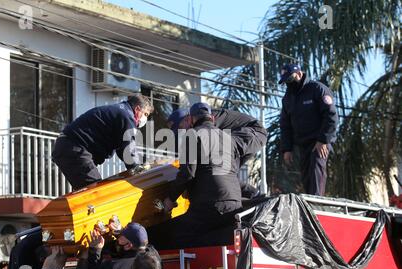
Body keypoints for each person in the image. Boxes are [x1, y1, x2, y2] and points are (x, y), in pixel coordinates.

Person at [148, 102, 242, 249]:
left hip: (209, 203)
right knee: (224, 239)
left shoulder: (193, 135)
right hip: (234, 202)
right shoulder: (228, 137)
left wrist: (170, 199)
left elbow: (187, 174)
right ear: (211, 117)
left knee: (177, 236)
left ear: (191, 119)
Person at [52, 95, 154, 190]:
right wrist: (138, 171)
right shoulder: (126, 116)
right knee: (95, 193)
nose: (145, 118)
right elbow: (128, 149)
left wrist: (137, 164)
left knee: (86, 194)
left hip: (70, 147)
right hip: (75, 148)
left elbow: (122, 148)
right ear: (137, 109)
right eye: (145, 114)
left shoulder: (120, 111)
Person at [167, 107, 267, 198]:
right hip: (240, 137)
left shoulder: (207, 118)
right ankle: (252, 195)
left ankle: (254, 195)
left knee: (219, 172)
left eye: (181, 129)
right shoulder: (196, 127)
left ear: (187, 119)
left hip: (253, 132)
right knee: (221, 176)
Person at [279, 63, 338, 196]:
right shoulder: (288, 98)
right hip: (303, 144)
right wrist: (287, 149)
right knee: (306, 176)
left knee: (316, 169)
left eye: (290, 79)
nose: (289, 83)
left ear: (299, 74)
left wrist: (323, 140)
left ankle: (316, 203)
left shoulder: (317, 89)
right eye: (286, 81)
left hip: (320, 141)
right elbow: (285, 125)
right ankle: (310, 201)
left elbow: (331, 116)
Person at [87, 222, 162, 269]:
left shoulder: (116, 268)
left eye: (120, 237)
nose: (118, 238)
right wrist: (120, 233)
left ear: (129, 245)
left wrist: (95, 250)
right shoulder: (154, 253)